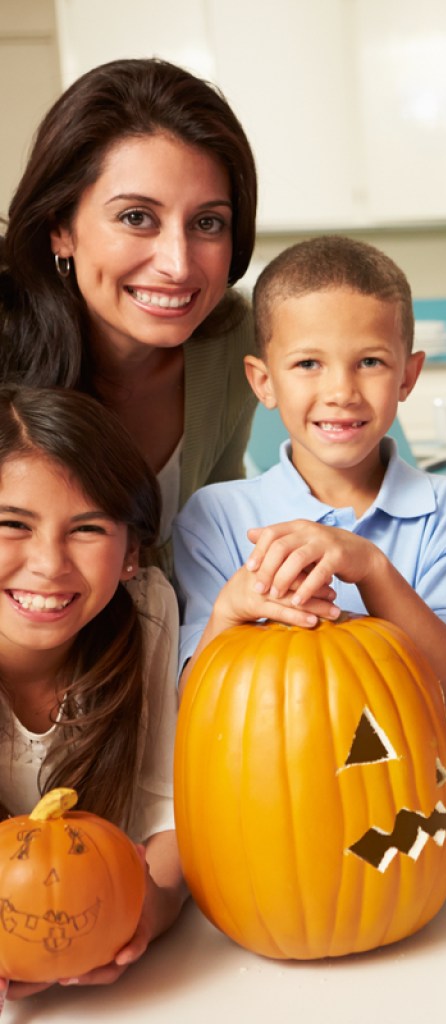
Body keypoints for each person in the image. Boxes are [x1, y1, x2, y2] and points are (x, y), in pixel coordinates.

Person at [173, 235, 446, 837]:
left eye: (370, 362)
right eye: (307, 363)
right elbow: (197, 709)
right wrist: (230, 609)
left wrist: (371, 568)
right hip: (274, 829)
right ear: (262, 380)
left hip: (432, 828)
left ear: (409, 374)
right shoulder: (216, 518)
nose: (342, 391)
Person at [0, 58, 259, 577]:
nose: (178, 264)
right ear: (61, 226)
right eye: (136, 218)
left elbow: (217, 538)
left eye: (208, 222)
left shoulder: (236, 340)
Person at [0, 386, 185, 1000]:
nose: (49, 564)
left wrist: (146, 914)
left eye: (86, 528)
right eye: (12, 525)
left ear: (131, 551)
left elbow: (171, 814)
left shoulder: (148, 610)